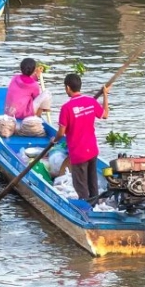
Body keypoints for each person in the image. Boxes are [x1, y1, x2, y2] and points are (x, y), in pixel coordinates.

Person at [52, 72, 111, 202]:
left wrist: (54, 140)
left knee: (81, 185)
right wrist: (105, 95)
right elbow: (105, 114)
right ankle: (95, 203)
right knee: (92, 181)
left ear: (67, 88)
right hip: (92, 150)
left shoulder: (66, 108)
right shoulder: (91, 101)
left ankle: (86, 208)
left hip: (78, 153)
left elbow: (61, 132)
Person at [0, 58, 51, 137]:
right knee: (46, 94)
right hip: (23, 114)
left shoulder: (15, 78)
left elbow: (25, 81)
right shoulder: (34, 85)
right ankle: (37, 117)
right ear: (33, 71)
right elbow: (36, 98)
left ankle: (35, 116)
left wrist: (36, 77)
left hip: (9, 111)